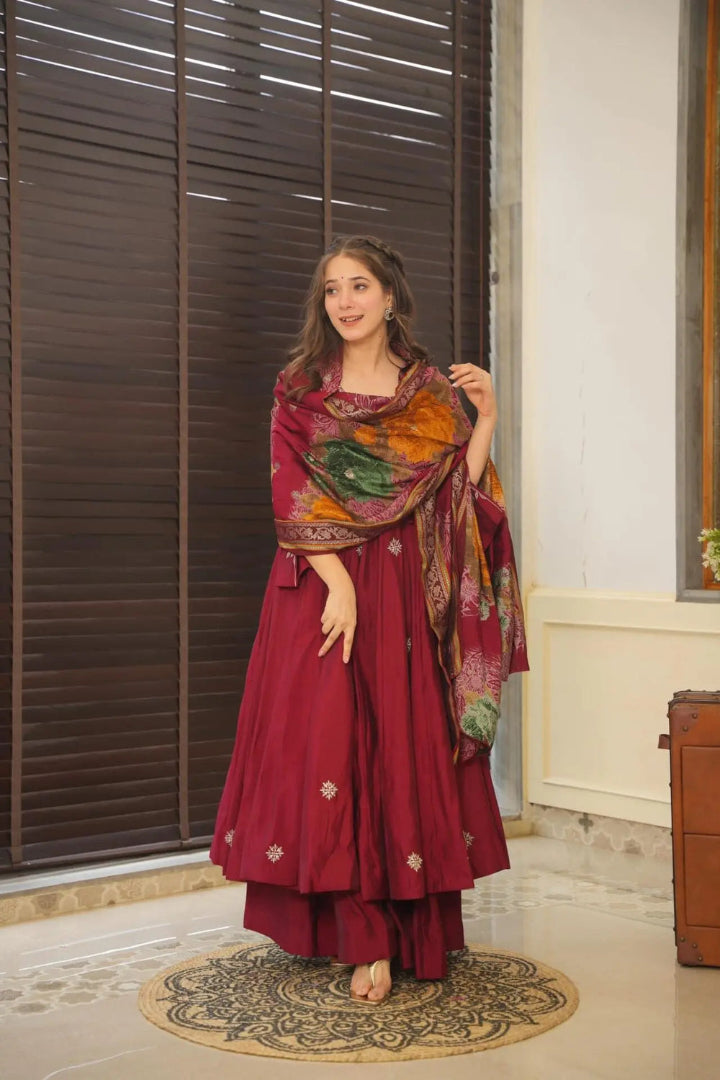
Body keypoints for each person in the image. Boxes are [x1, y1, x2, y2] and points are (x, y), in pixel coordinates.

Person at [210, 234, 528, 1004]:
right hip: (321, 590)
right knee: (329, 750)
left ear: (389, 296)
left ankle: (400, 931)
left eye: (359, 286)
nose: (344, 302)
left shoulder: (430, 393)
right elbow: (291, 495)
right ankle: (359, 936)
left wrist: (486, 418)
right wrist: (338, 585)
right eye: (332, 289)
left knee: (398, 752)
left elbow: (456, 502)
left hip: (406, 593)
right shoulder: (301, 391)